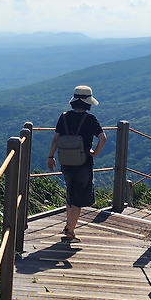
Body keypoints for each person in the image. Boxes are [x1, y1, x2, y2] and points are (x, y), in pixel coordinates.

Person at [46, 85, 106, 241]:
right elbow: (102, 138)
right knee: (79, 197)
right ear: (88, 103)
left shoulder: (64, 117)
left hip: (65, 161)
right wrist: (95, 153)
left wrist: (50, 157)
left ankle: (68, 224)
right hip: (84, 162)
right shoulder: (90, 119)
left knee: (70, 193)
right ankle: (70, 231)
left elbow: (55, 139)